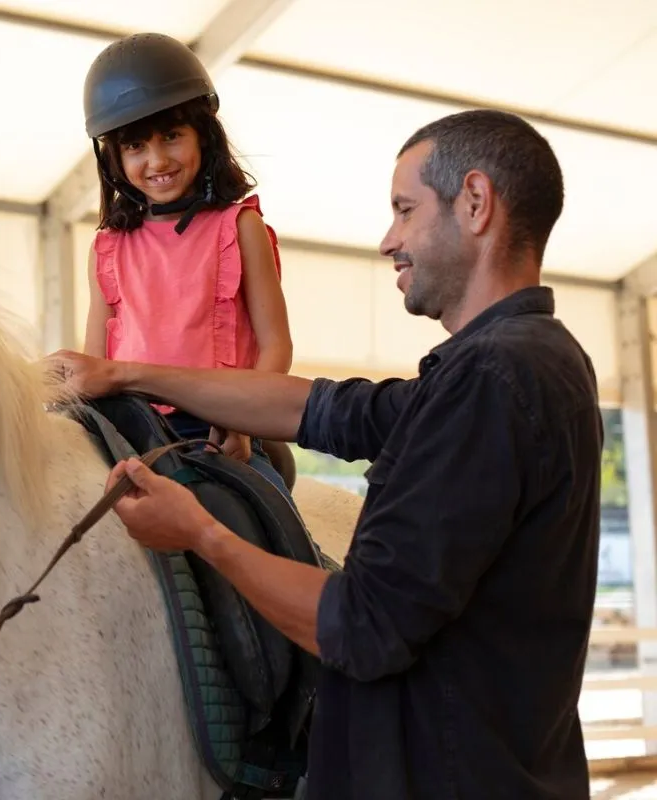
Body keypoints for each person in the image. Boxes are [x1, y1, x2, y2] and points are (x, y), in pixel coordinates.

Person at [48, 108, 603, 800]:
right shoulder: (520, 362)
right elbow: (326, 409)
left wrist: (200, 533)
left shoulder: (493, 381)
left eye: (405, 210)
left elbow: (363, 625)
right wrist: (129, 374)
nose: (388, 240)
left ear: (476, 202)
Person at [79, 32, 297, 499]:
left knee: (275, 526)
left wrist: (242, 419)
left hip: (219, 428)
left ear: (204, 134)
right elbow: (96, 359)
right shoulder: (108, 246)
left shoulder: (240, 227)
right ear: (114, 159)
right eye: (136, 146)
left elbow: (276, 345)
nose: (157, 160)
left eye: (172, 136)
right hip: (129, 428)